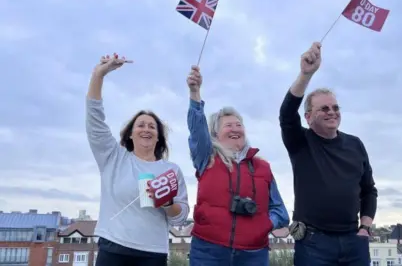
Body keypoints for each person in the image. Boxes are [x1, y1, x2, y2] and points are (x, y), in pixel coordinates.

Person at [279, 42, 378, 266]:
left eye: (335, 108)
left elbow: (368, 190)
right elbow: (286, 114)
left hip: (354, 242)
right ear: (308, 117)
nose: (331, 112)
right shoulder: (300, 142)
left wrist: (365, 227)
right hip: (314, 244)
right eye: (324, 108)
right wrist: (306, 74)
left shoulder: (356, 145)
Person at [86, 53, 190, 266]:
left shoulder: (171, 170)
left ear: (159, 136)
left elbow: (179, 217)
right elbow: (95, 121)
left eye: (152, 126)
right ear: (130, 134)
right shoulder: (113, 158)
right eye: (140, 125)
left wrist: (168, 203)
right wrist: (99, 75)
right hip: (113, 247)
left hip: (152, 253)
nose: (146, 129)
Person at [186, 65, 290, 265]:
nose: (235, 129)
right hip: (209, 251)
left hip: (253, 254)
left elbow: (280, 211)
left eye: (239, 125)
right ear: (215, 134)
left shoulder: (263, 167)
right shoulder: (206, 157)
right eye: (228, 126)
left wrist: (264, 224)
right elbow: (197, 131)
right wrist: (195, 94)